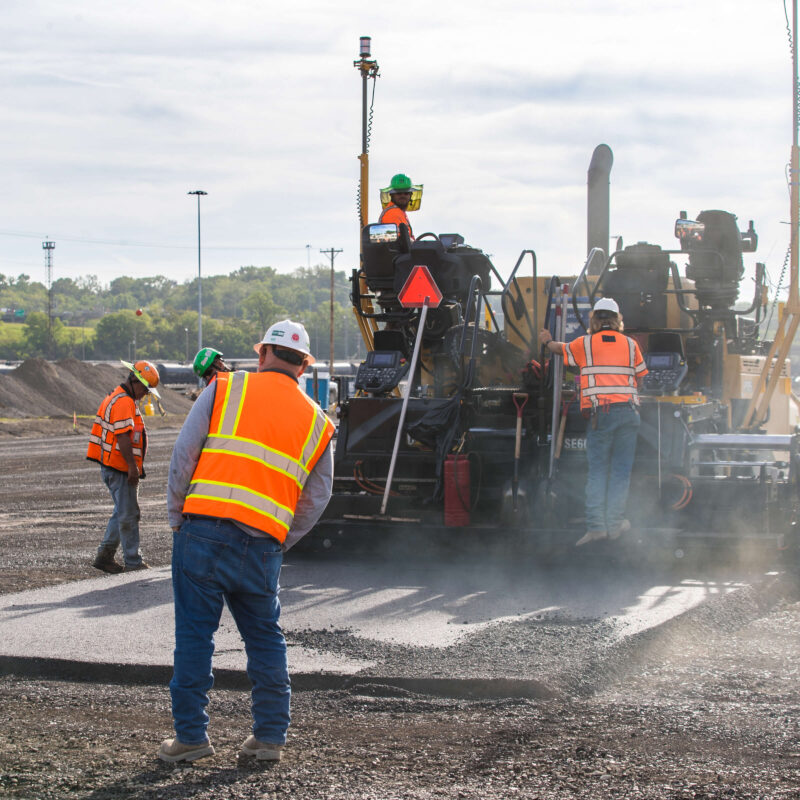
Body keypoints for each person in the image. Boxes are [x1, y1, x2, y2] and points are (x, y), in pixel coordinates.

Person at [159, 319, 335, 764]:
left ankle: (191, 739)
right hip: (262, 546)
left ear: (263, 354)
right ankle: (270, 739)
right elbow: (318, 496)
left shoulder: (225, 388)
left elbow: (184, 455)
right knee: (265, 639)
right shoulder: (318, 422)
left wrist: (177, 516)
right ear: (304, 366)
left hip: (202, 531)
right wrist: (281, 538)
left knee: (195, 636)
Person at [539, 297, 648, 547]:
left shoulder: (584, 344)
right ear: (618, 320)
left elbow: (559, 349)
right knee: (621, 473)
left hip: (602, 415)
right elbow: (640, 378)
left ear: (594, 320)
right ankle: (616, 523)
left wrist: (546, 340)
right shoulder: (631, 345)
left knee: (598, 473)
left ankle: (597, 528)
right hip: (629, 414)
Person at [86, 360, 161, 573]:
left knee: (122, 511)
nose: (145, 394)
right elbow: (122, 437)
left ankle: (105, 555)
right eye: (146, 390)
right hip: (119, 467)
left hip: (113, 465)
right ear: (136, 382)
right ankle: (133, 561)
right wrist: (132, 467)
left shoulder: (119, 397)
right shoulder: (124, 402)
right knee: (129, 514)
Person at [379, 173, 416, 240]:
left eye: (406, 193)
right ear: (391, 195)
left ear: (410, 195)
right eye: (399, 193)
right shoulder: (392, 213)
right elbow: (400, 241)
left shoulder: (400, 213)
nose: (403, 196)